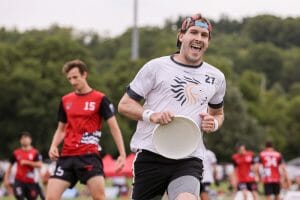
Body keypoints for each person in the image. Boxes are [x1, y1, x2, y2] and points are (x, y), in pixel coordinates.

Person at [118, 13, 226, 200]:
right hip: (151, 155)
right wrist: (151, 116)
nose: (198, 39)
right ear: (181, 36)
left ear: (208, 41)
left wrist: (213, 123)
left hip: (189, 157)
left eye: (204, 35)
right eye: (193, 32)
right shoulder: (156, 67)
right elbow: (124, 104)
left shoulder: (216, 77)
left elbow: (218, 114)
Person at [46, 59, 126, 200]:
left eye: (75, 77)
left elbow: (114, 127)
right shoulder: (65, 100)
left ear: (84, 75)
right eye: (69, 78)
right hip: (67, 156)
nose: (72, 81)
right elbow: (61, 129)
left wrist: (122, 154)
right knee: (51, 197)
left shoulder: (100, 99)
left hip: (89, 156)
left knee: (99, 197)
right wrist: (53, 145)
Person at [3, 131, 43, 200]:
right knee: (19, 197)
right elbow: (9, 167)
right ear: (20, 141)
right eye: (22, 138)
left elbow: (40, 165)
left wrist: (27, 162)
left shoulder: (35, 152)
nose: (24, 140)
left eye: (26, 138)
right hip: (19, 182)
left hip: (31, 182)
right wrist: (6, 179)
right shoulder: (16, 153)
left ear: (30, 140)